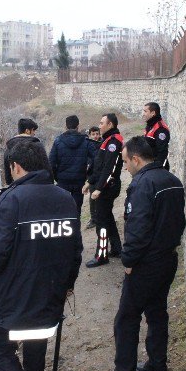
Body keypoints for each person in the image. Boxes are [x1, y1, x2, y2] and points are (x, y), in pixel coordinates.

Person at [0, 139, 83, 371]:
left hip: (14, 298)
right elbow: (76, 251)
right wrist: (67, 285)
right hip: (50, 294)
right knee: (36, 344)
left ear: (15, 167)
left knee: (2, 350)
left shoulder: (10, 200)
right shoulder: (65, 198)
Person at [96, 136, 185, 371]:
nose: (124, 167)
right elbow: (179, 221)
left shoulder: (142, 184)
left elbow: (138, 226)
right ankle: (158, 365)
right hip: (168, 259)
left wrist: (129, 260)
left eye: (125, 162)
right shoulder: (172, 181)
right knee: (157, 312)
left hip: (147, 263)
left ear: (136, 159)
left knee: (126, 318)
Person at [83, 113, 123, 267]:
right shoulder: (107, 140)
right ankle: (117, 249)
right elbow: (98, 165)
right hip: (104, 185)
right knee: (107, 217)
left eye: (101, 123)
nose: (99, 126)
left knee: (101, 221)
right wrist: (90, 181)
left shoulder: (114, 141)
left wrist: (99, 188)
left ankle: (101, 255)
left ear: (110, 125)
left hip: (108, 187)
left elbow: (109, 167)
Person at [48, 115, 94, 215]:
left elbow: (51, 163)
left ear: (66, 126)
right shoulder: (86, 141)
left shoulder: (58, 141)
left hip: (62, 181)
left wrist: (57, 178)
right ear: (78, 126)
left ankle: (64, 229)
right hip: (79, 180)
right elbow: (96, 160)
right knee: (76, 210)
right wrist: (88, 175)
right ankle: (75, 229)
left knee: (62, 211)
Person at [4, 118, 40, 185]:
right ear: (27, 131)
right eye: (33, 130)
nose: (34, 133)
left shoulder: (9, 148)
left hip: (16, 188)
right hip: (34, 187)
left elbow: (8, 176)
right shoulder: (36, 147)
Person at [142, 102, 170, 170]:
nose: (143, 114)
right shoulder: (150, 125)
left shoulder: (161, 129)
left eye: (145, 111)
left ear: (153, 113)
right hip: (149, 165)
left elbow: (162, 153)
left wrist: (157, 171)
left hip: (156, 169)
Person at [85, 126, 101, 229]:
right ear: (90, 135)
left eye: (97, 134)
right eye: (93, 134)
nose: (95, 136)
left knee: (102, 198)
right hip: (91, 176)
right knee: (92, 198)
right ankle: (93, 218)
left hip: (100, 175)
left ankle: (101, 217)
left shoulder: (103, 145)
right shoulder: (87, 146)